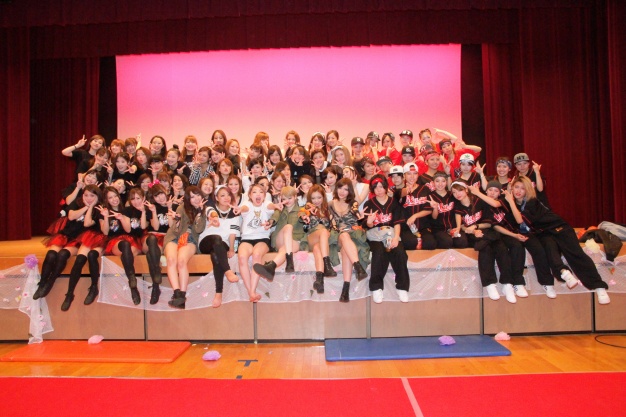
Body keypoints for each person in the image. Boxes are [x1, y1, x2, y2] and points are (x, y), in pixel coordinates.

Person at [505, 175, 610, 304]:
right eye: (516, 187)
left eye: (523, 188)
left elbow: (519, 220)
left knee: (576, 254)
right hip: (545, 233)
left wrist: (510, 201)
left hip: (559, 228)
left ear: (528, 190)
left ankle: (599, 287)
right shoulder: (514, 204)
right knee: (550, 251)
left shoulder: (532, 202)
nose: (519, 191)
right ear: (512, 187)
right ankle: (564, 273)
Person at [471, 181, 556, 298]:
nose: (492, 193)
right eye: (490, 190)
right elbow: (494, 226)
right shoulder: (482, 203)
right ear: (486, 191)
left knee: (518, 246)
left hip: (508, 233)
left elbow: (498, 207)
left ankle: (518, 282)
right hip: (493, 234)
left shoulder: (503, 201)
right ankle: (502, 284)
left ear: (500, 193)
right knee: (496, 249)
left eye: (496, 191)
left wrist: (514, 235)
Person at [34, 185, 105, 311]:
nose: (88, 198)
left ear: (97, 197)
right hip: (66, 235)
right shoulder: (77, 203)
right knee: (51, 254)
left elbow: (87, 223)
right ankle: (43, 283)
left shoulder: (98, 209)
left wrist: (91, 207)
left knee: (62, 255)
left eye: (92, 196)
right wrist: (86, 206)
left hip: (79, 240)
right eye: (86, 195)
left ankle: (53, 282)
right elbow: (71, 216)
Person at [450, 180, 517, 303]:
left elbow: (489, 223)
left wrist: (476, 227)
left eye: (460, 190)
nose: (457, 194)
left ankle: (507, 284)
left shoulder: (479, 201)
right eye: (454, 192)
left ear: (466, 190)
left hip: (486, 232)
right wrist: (472, 231)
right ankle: (490, 283)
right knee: (485, 248)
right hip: (474, 236)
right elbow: (461, 227)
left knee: (501, 248)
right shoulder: (457, 206)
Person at [362, 175, 410, 304]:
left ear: (386, 187)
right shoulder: (369, 204)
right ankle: (376, 287)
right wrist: (370, 222)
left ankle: (402, 287)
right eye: (375, 187)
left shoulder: (393, 202)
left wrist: (396, 238)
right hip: (375, 236)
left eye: (381, 186)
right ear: (372, 189)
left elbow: (397, 223)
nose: (379, 190)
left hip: (391, 233)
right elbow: (367, 226)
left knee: (400, 252)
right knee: (378, 252)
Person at [231, 184, 280, 302]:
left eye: (261, 192)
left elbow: (270, 206)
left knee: (256, 255)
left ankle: (252, 290)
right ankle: (251, 292)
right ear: (250, 195)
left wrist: (275, 205)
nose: (258, 194)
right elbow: (244, 208)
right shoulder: (247, 204)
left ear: (264, 195)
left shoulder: (266, 204)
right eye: (254, 192)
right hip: (246, 238)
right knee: (242, 257)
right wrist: (240, 209)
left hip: (262, 238)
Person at [100, 187, 146, 305]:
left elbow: (128, 230)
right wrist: (105, 216)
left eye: (115, 196)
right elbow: (105, 232)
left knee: (128, 251)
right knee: (125, 245)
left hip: (132, 240)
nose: (114, 199)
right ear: (106, 200)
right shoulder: (104, 212)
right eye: (110, 197)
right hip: (115, 242)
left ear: (119, 196)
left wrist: (121, 217)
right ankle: (132, 281)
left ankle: (132, 285)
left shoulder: (126, 210)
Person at [163, 186, 207, 309]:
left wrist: (199, 213)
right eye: (192, 197)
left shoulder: (205, 210)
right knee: (171, 259)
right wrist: (177, 220)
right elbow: (175, 231)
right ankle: (177, 294)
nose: (196, 198)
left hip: (190, 239)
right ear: (188, 199)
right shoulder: (181, 208)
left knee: (182, 261)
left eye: (198, 195)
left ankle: (182, 295)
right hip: (174, 237)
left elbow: (198, 229)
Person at [198, 186, 240, 308]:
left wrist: (231, 249)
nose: (226, 198)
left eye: (228, 195)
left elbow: (232, 234)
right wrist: (215, 217)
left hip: (222, 244)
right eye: (222, 195)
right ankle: (228, 271)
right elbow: (211, 213)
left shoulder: (235, 213)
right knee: (217, 238)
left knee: (215, 255)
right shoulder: (210, 208)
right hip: (206, 241)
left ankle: (218, 293)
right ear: (216, 198)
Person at [328, 178, 369, 302]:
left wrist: (360, 217)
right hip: (338, 235)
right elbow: (332, 223)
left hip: (353, 235)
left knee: (346, 251)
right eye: (340, 188)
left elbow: (356, 212)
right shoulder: (330, 204)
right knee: (343, 236)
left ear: (349, 191)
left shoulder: (353, 203)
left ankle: (345, 289)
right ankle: (358, 266)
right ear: (336, 188)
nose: (342, 191)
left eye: (346, 189)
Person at [253, 186, 305, 280]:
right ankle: (290, 262)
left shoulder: (301, 210)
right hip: (280, 240)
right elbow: (273, 218)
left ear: (295, 197)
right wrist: (269, 223)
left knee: (286, 248)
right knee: (288, 227)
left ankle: (271, 267)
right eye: (284, 199)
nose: (287, 201)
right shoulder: (279, 210)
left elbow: (303, 216)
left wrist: (304, 218)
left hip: (294, 241)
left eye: (290, 198)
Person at [298, 184, 337, 294]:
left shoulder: (327, 210)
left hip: (323, 240)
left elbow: (334, 225)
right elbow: (301, 214)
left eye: (319, 197)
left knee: (317, 248)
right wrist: (305, 216)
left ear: (323, 197)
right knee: (323, 232)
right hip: (311, 236)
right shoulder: (307, 208)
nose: (316, 201)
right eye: (313, 198)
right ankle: (327, 266)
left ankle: (319, 279)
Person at [142, 184, 171, 304]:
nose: (160, 198)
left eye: (161, 194)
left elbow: (172, 226)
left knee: (151, 254)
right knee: (152, 240)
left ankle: (155, 286)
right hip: (151, 237)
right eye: (156, 196)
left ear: (166, 192)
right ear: (153, 198)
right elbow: (155, 227)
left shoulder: (174, 205)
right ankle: (157, 272)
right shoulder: (152, 208)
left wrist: (170, 209)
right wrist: (153, 212)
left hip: (165, 238)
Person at [399, 163, 436, 250]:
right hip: (406, 227)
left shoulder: (425, 189)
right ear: (404, 176)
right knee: (410, 243)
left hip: (423, 225)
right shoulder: (399, 190)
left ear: (418, 175)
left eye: (415, 173)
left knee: (430, 244)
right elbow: (398, 198)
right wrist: (405, 192)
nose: (412, 177)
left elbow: (429, 209)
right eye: (409, 174)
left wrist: (415, 216)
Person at [427, 171, 467, 249]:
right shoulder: (431, 197)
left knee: (462, 242)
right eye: (437, 181)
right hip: (439, 229)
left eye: (443, 181)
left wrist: (458, 227)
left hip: (453, 227)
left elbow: (458, 212)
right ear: (433, 182)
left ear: (446, 182)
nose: (440, 184)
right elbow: (434, 218)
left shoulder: (452, 195)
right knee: (447, 242)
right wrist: (435, 208)